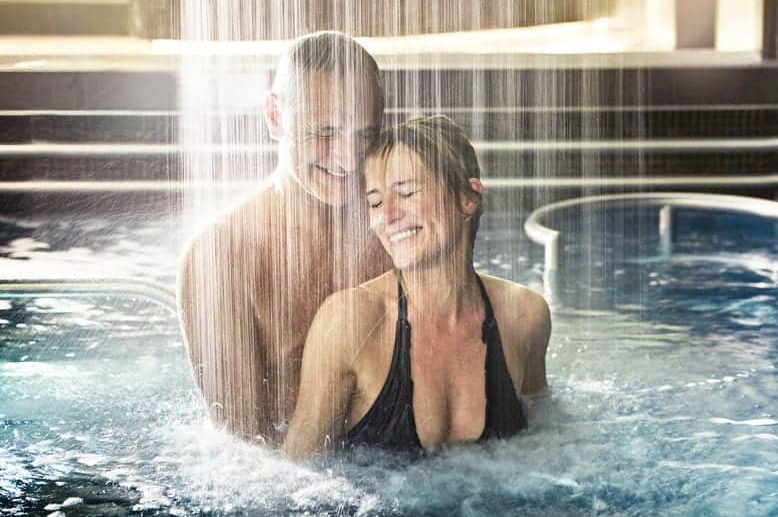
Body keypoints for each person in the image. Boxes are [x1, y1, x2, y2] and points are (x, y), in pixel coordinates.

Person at [283, 115, 551, 457]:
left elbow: (545, 444)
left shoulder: (524, 316)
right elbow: (297, 477)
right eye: (376, 201)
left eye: (407, 192)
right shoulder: (350, 322)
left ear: (467, 198)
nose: (388, 215)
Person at [177, 31, 391, 444]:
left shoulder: (398, 230)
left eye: (365, 134)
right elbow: (241, 449)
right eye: (325, 132)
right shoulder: (220, 256)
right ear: (275, 117)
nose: (348, 158)